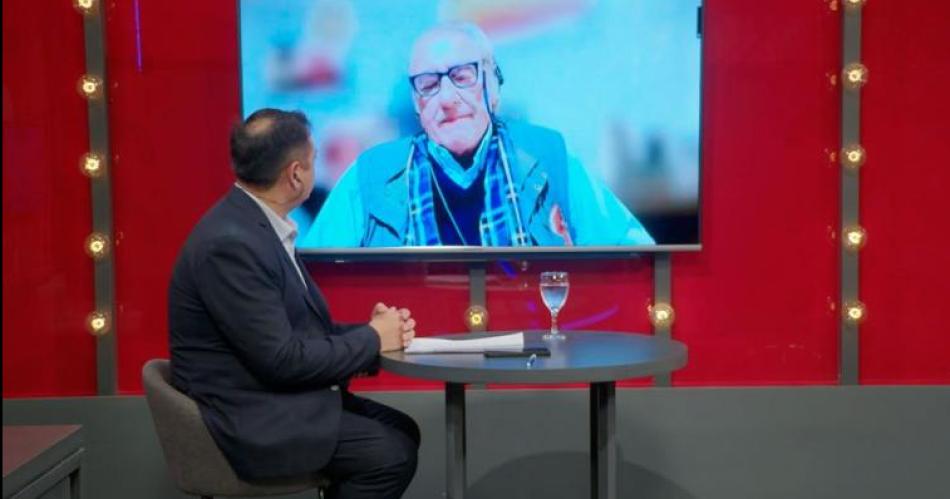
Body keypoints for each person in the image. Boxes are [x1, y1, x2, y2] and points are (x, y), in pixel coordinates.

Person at [168, 109, 419, 499]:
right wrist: (372, 338)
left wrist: (376, 333)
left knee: (402, 431)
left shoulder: (256, 225)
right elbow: (282, 360)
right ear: (296, 174)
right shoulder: (231, 244)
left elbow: (301, 334)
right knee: (390, 454)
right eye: (315, 158)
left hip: (276, 400)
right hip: (250, 418)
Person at [300, 22, 655, 248]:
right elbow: (313, 283)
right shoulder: (369, 175)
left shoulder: (550, 158)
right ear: (417, 102)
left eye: (462, 76)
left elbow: (636, 259)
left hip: (529, 340)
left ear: (493, 85)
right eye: (428, 84)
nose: (446, 99)